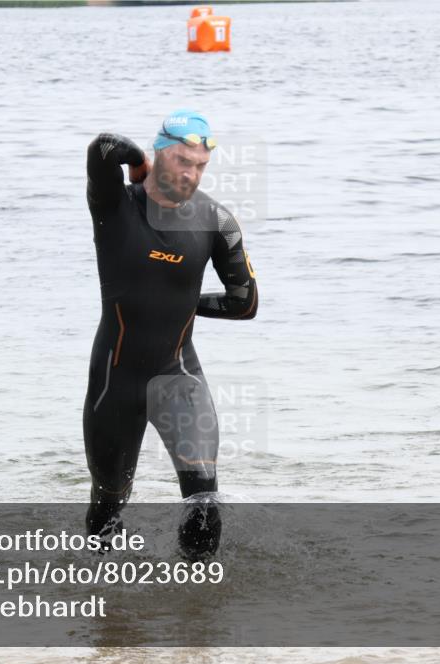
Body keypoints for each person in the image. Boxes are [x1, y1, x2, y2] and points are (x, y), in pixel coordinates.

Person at [82, 109, 258, 560]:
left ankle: (195, 614)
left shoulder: (216, 223)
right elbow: (102, 149)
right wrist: (138, 162)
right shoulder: (115, 204)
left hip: (178, 376)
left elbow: (245, 304)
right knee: (107, 507)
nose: (191, 174)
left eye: (200, 166)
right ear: (160, 155)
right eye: (182, 161)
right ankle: (111, 619)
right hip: (114, 382)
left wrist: (183, 304)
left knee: (203, 502)